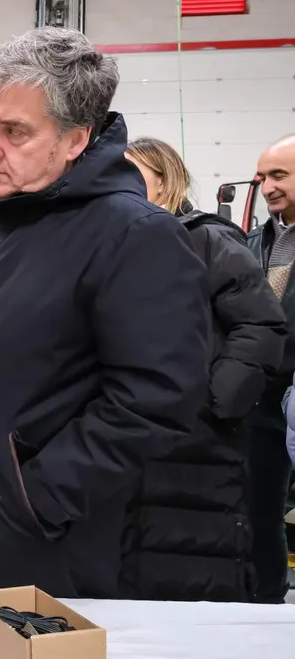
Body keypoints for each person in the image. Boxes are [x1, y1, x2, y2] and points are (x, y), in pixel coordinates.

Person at [0, 27, 211, 598]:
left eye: (15, 131)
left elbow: (158, 397)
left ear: (75, 140)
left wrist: (39, 496)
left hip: (40, 546)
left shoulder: (134, 236)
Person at [120, 136, 285, 601]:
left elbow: (260, 324)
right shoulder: (110, 243)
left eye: (133, 176)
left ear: (165, 181)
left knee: (192, 558)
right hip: (131, 431)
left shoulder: (205, 238)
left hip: (195, 438)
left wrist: (216, 403)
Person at [245, 133, 295, 603]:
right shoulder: (254, 242)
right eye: (262, 177)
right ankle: (266, 601)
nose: (267, 186)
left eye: (279, 175)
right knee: (260, 509)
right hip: (259, 399)